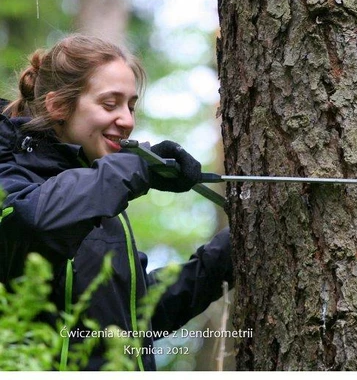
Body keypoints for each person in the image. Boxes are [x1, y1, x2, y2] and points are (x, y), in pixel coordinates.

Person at [0, 34, 233, 370]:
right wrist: (136, 168)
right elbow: (31, 225)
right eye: (110, 104)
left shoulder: (99, 194)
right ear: (58, 106)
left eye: (131, 106)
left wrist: (225, 257)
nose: (127, 120)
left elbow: (131, 320)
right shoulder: (13, 174)